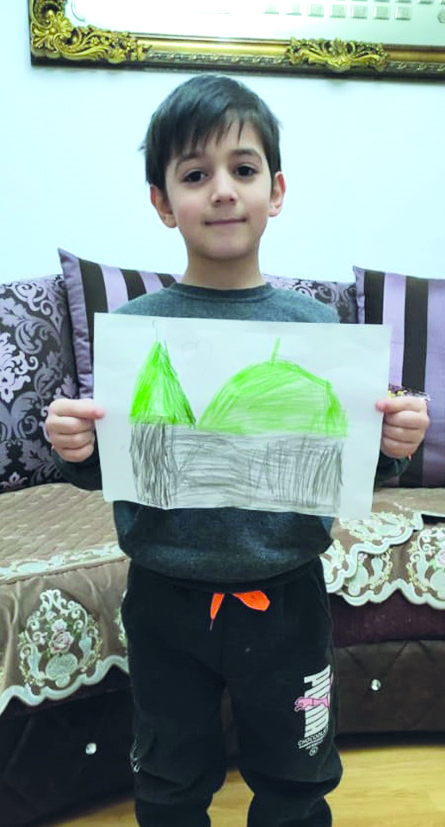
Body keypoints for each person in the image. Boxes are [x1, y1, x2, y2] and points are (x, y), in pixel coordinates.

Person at [45, 74, 429, 827]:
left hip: (287, 598)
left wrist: (392, 446)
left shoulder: (316, 327)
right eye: (195, 175)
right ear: (162, 202)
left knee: (296, 778)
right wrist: (78, 446)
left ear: (274, 191)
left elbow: (352, 462)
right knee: (168, 778)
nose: (222, 190)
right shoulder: (138, 327)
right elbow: (117, 462)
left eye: (243, 169)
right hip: (164, 598)